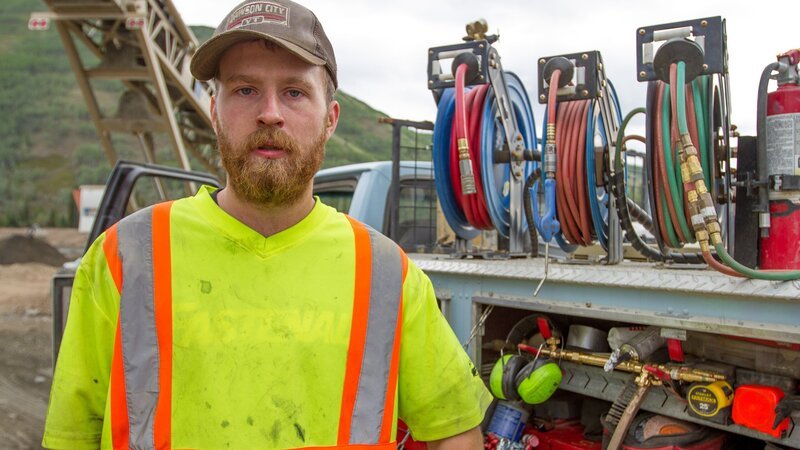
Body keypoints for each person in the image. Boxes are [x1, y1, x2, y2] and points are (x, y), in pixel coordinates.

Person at [42, 0, 492, 448]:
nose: (270, 113)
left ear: (330, 119)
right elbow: (70, 437)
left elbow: (455, 430)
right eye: (245, 90)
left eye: (294, 92)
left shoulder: (386, 274)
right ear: (215, 110)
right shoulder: (124, 257)